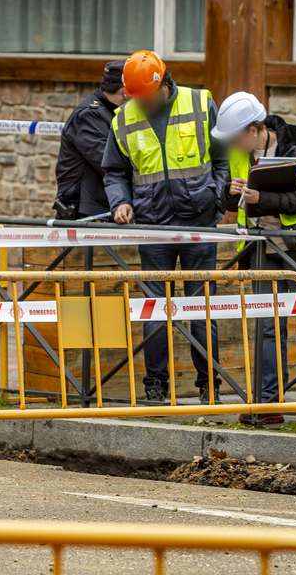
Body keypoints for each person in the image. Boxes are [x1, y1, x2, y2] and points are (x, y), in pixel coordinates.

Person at [102, 50, 229, 404]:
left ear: (165, 84)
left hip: (199, 226)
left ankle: (209, 385)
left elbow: (223, 159)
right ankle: (155, 386)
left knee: (201, 307)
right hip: (153, 225)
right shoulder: (124, 117)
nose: (140, 103)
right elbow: (114, 171)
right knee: (155, 308)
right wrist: (121, 202)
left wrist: (216, 200)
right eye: (134, 98)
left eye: (145, 97)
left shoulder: (201, 104)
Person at [213, 91, 296, 425]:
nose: (231, 144)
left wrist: (261, 197)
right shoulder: (238, 152)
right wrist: (231, 193)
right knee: (268, 324)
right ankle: (269, 404)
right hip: (261, 247)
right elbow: (225, 199)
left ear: (254, 130)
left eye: (235, 136)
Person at [54, 60, 127, 219]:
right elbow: (108, 162)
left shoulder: (111, 112)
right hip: (86, 214)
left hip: (102, 208)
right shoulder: (89, 115)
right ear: (126, 91)